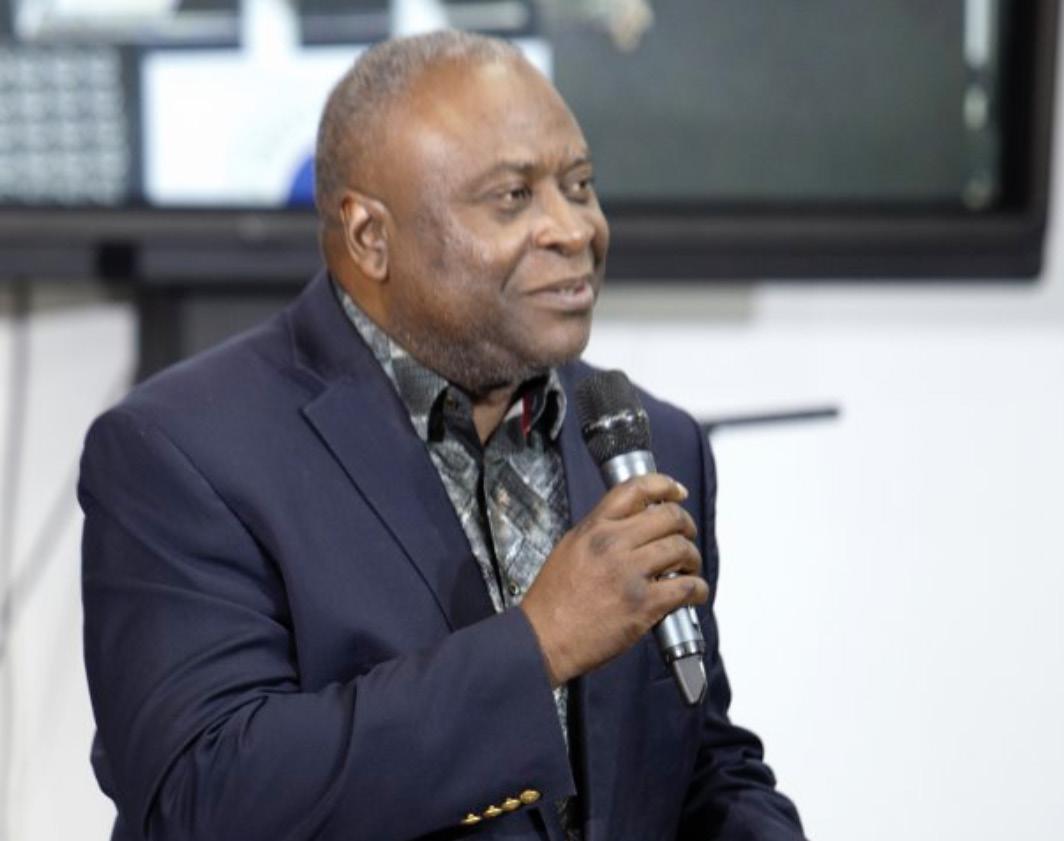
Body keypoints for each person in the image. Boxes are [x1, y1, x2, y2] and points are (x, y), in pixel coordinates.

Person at [79, 30, 806, 841]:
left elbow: (697, 763)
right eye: (513, 197)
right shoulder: (182, 451)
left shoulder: (651, 442)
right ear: (370, 236)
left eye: (580, 185)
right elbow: (202, 797)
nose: (574, 229)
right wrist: (539, 644)